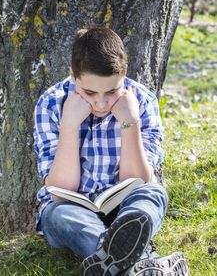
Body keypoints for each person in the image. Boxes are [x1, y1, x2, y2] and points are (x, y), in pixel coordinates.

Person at [34, 27, 188, 276]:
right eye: (90, 92)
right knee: (58, 215)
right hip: (72, 210)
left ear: (123, 74)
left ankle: (115, 263)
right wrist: (70, 124)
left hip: (126, 205)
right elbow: (61, 190)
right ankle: (145, 265)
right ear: (73, 76)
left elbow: (137, 180)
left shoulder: (142, 101)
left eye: (111, 91)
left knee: (153, 194)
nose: (101, 103)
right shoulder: (51, 103)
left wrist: (130, 121)